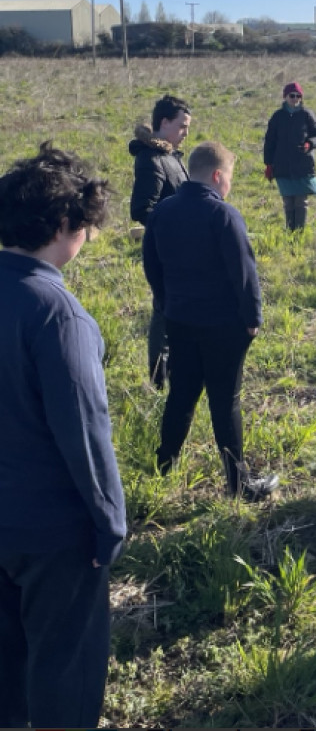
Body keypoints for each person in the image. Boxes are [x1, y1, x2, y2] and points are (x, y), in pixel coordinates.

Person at [0, 142, 126, 727]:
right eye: (85, 224)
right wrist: (108, 524)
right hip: (52, 532)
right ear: (63, 223)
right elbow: (85, 431)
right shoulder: (56, 313)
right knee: (64, 668)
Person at [143, 141, 277, 501]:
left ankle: (163, 466)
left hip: (180, 319)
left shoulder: (162, 212)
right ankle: (238, 484)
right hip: (223, 324)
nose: (229, 185)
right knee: (225, 401)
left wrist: (167, 301)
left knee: (181, 394)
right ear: (218, 176)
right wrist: (252, 318)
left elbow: (151, 265)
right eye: (229, 178)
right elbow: (244, 273)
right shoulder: (224, 215)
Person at [130, 94, 191, 389]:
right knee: (163, 312)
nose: (186, 133)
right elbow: (142, 208)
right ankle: (158, 381)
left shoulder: (170, 157)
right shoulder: (151, 159)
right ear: (164, 123)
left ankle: (175, 372)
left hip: (180, 249)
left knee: (176, 312)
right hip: (165, 251)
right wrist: (175, 228)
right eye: (182, 126)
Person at [263, 82, 316, 231]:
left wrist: (310, 144)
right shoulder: (277, 117)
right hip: (282, 165)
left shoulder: (307, 115)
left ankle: (299, 233)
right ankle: (290, 232)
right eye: (292, 95)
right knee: (288, 202)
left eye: (298, 96)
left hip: (303, 165)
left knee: (301, 201)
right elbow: (270, 141)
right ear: (285, 97)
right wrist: (269, 164)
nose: (295, 98)